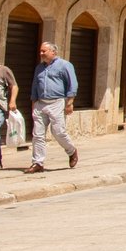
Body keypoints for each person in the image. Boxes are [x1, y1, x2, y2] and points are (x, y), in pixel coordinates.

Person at [25, 41, 80, 173]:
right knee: (37, 134)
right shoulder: (39, 68)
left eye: (44, 51)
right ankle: (38, 163)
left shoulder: (64, 65)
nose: (41, 54)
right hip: (40, 103)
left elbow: (73, 84)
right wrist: (34, 102)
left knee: (58, 132)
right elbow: (35, 85)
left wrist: (70, 102)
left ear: (53, 52)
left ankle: (71, 151)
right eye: (41, 51)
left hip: (57, 102)